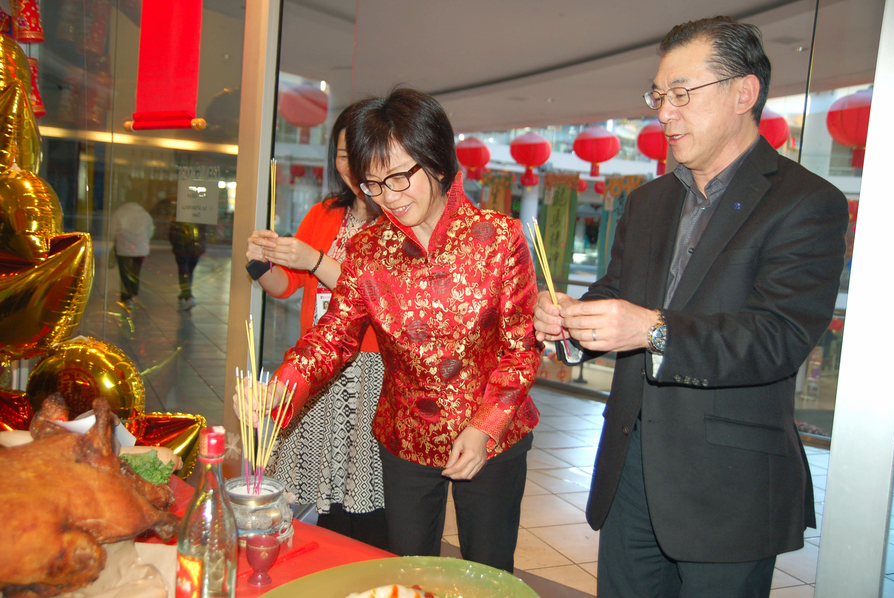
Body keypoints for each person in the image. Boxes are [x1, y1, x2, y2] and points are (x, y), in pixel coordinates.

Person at [533, 16, 848, 598]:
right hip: (630, 474)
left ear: (743, 93)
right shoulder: (650, 200)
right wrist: (569, 324)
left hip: (728, 490)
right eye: (658, 95)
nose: (664, 112)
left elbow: (775, 338)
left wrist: (653, 331)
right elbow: (615, 293)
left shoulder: (807, 203)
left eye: (681, 94)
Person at [236, 88, 541, 573]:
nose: (392, 198)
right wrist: (281, 389)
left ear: (437, 161)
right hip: (406, 435)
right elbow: (332, 336)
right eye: (375, 185)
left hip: (493, 436)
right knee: (409, 568)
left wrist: (484, 428)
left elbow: (520, 348)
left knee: (488, 569)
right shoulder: (367, 250)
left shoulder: (499, 238)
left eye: (401, 177)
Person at [244, 104, 388, 549]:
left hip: (370, 372)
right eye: (343, 154)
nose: (350, 166)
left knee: (360, 497)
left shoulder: (398, 222)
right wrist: (259, 262)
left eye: (360, 153)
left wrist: (316, 261)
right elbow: (286, 285)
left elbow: (377, 296)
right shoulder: (326, 212)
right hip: (317, 367)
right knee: (308, 495)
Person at [109, 201, 154, 311]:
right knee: (136, 271)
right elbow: (150, 231)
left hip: (123, 248)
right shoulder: (144, 214)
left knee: (125, 273)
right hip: (140, 249)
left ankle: (126, 296)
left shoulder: (119, 212)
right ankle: (133, 291)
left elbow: (112, 231)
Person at [168, 220, 206, 311]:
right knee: (188, 272)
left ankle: (188, 295)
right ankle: (184, 294)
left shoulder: (180, 215)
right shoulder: (200, 216)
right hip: (195, 248)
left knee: (184, 271)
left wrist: (175, 244)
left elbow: (172, 233)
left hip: (182, 248)